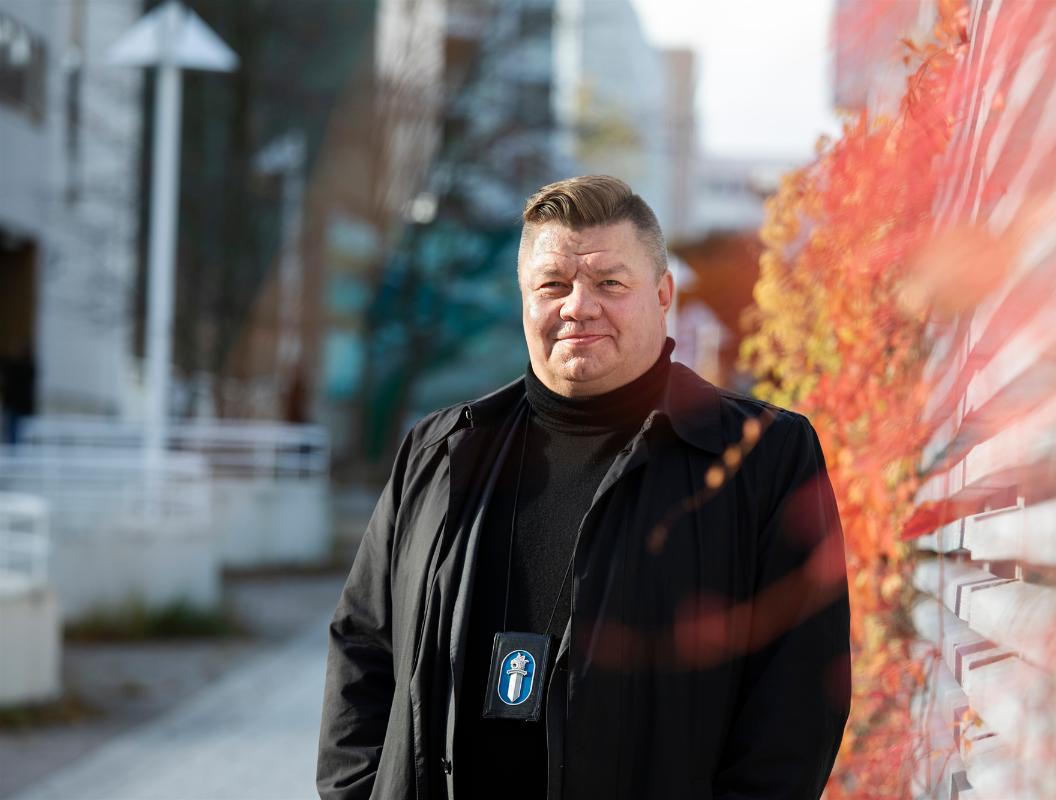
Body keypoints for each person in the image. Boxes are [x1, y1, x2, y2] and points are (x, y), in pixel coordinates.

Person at [317, 176, 851, 800]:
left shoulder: (763, 458)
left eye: (609, 283)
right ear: (524, 299)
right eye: (552, 284)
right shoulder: (440, 453)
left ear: (662, 294)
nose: (578, 306)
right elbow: (363, 650)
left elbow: (800, 696)